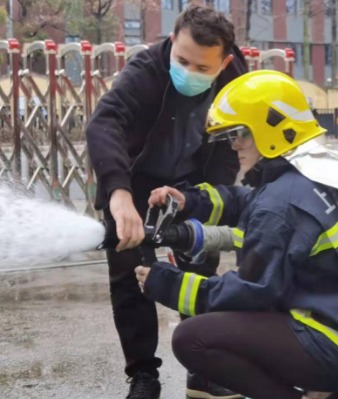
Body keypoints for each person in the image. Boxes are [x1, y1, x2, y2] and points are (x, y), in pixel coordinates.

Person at [134, 70, 338, 399]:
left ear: (270, 130)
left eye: (240, 135)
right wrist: (190, 200)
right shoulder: (301, 181)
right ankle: (326, 391)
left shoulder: (279, 203)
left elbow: (251, 291)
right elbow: (245, 201)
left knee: (192, 338)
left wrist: (165, 282)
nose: (234, 145)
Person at [85, 5, 247, 399]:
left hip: (193, 186)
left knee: (200, 271)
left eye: (203, 69)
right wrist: (118, 194)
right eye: (182, 60)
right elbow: (105, 123)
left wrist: (213, 199)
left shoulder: (236, 80)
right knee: (130, 279)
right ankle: (144, 376)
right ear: (172, 41)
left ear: (224, 62)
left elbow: (234, 143)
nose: (189, 73)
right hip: (134, 185)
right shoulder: (146, 71)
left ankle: (204, 370)